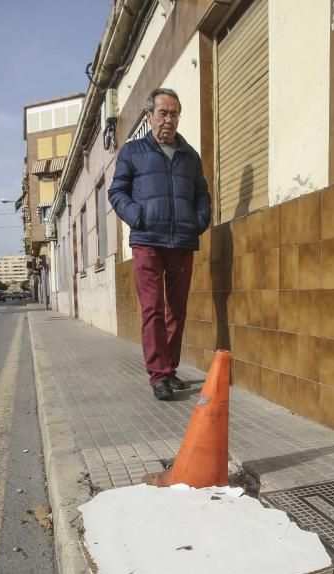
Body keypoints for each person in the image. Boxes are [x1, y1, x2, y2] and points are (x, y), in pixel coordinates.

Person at [109, 88, 212, 400]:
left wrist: (198, 221)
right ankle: (158, 375)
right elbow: (117, 192)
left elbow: (202, 195)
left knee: (176, 311)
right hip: (147, 241)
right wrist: (136, 216)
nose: (169, 120)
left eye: (174, 114)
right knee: (153, 310)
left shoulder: (190, 156)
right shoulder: (132, 151)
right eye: (163, 113)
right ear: (149, 115)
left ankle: (169, 368)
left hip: (182, 239)